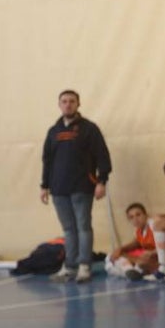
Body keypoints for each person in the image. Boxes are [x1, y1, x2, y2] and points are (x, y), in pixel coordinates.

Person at [40, 90, 112, 283]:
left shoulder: (89, 129)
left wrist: (101, 181)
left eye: (72, 101)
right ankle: (70, 266)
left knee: (83, 227)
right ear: (59, 105)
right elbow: (47, 160)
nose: (68, 104)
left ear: (78, 104)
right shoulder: (53, 131)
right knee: (68, 229)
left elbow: (102, 156)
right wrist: (44, 185)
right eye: (64, 101)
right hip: (59, 189)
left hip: (82, 186)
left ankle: (84, 266)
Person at [107, 202, 158, 280]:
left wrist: (152, 252)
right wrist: (120, 249)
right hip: (147, 257)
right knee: (113, 255)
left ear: (145, 215)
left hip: (162, 258)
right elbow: (136, 243)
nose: (135, 219)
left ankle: (131, 269)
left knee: (141, 262)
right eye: (131, 217)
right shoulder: (138, 230)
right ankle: (130, 270)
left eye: (138, 215)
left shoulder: (154, 225)